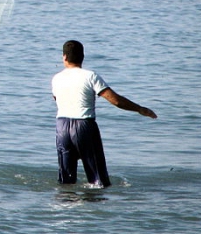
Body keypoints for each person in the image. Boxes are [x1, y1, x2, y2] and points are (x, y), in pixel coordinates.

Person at [51, 40, 157, 187]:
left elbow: (56, 99)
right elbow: (116, 101)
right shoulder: (90, 76)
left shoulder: (56, 78)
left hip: (61, 127)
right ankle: (94, 205)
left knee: (66, 181)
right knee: (98, 182)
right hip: (84, 126)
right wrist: (139, 108)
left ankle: (66, 207)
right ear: (83, 56)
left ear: (64, 57)